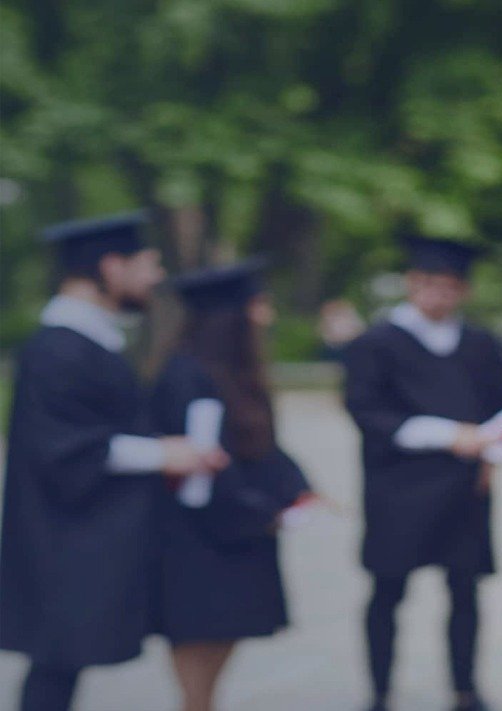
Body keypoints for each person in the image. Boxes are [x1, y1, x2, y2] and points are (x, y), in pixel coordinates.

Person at [0, 212, 226, 711]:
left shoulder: (89, 340)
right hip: (59, 534)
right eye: (147, 265)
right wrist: (163, 453)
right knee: (55, 663)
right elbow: (63, 447)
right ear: (110, 266)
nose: (156, 277)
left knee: (60, 664)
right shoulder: (58, 348)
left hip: (75, 531)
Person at [342, 234, 502, 711]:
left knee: (465, 587)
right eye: (429, 285)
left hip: (464, 487)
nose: (438, 295)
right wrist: (448, 435)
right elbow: (367, 412)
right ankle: (379, 691)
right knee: (387, 588)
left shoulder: (481, 345)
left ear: (463, 291)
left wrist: (494, 454)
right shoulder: (377, 343)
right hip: (398, 486)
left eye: (449, 287)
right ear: (410, 284)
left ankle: (465, 689)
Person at [150, 260, 317, 711]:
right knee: (199, 643)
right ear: (231, 317)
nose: (266, 316)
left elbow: (261, 445)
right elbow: (207, 464)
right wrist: (261, 512)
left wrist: (297, 488)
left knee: (223, 639)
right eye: (258, 305)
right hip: (199, 538)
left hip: (238, 532)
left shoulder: (237, 374)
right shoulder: (186, 375)